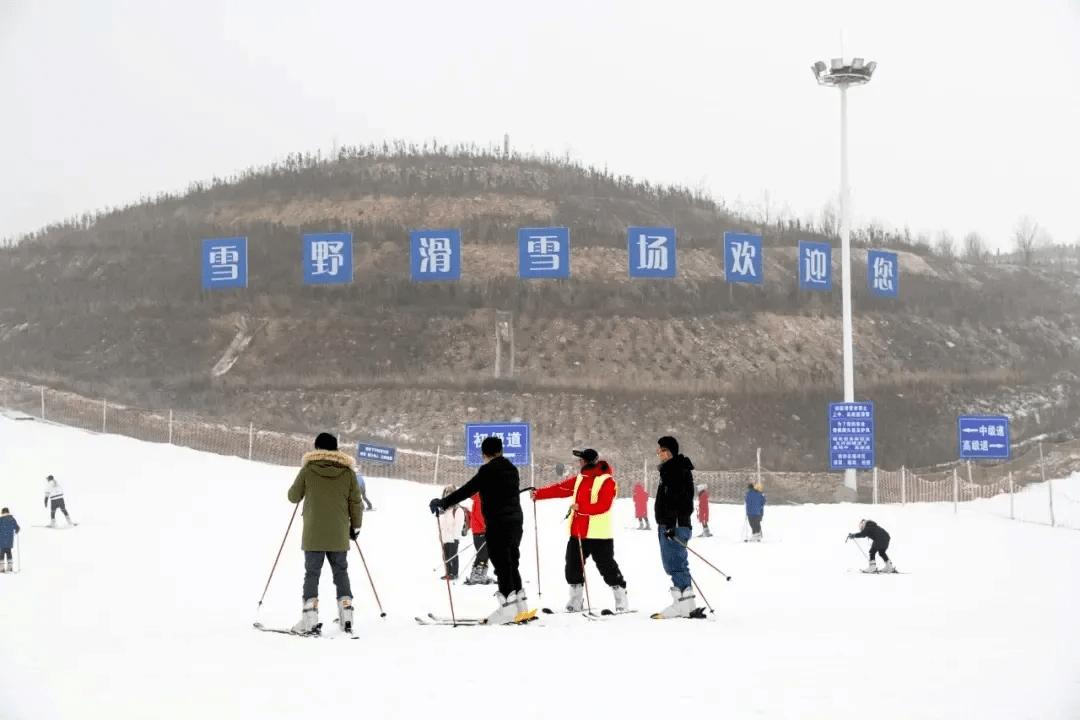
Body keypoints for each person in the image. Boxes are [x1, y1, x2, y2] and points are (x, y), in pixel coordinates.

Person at [429, 436, 529, 624]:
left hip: (497, 524)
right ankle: (520, 605)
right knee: (512, 562)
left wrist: (443, 503)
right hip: (516, 523)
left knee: (501, 565)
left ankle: (508, 608)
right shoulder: (512, 469)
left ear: (484, 454)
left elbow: (467, 490)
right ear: (501, 451)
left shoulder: (487, 470)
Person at [532, 449, 629, 613]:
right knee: (572, 567)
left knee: (607, 568)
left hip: (599, 534)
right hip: (577, 532)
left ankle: (621, 599)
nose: (580, 463)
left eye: (582, 460)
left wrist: (581, 508)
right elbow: (561, 489)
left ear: (589, 461)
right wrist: (539, 494)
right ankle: (576, 600)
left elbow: (604, 505)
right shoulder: (580, 479)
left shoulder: (607, 481)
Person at [287, 432, 364, 635]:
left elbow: (293, 496)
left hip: (313, 532)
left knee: (312, 573)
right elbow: (356, 501)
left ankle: (309, 620)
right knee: (341, 572)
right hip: (339, 532)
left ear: (317, 448)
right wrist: (356, 526)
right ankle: (347, 616)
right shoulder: (348, 472)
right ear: (336, 449)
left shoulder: (309, 469)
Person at [653, 436, 698, 618]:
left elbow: (678, 499)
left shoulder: (675, 470)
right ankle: (686, 603)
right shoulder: (670, 470)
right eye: (658, 451)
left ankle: (682, 605)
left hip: (675, 524)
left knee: (676, 563)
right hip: (672, 524)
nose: (659, 455)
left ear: (670, 452)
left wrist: (671, 524)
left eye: (662, 451)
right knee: (674, 564)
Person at [462, 492, 494, 585]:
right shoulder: (481, 499)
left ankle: (479, 574)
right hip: (481, 531)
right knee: (483, 553)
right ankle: (477, 575)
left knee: (483, 553)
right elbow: (481, 516)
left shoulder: (479, 498)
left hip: (478, 530)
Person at [437, 485, 467, 581]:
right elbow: (445, 524)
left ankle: (454, 573)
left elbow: (458, 524)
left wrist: (455, 538)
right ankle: (448, 572)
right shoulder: (446, 510)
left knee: (452, 555)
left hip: (454, 537)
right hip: (446, 537)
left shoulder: (457, 509)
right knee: (445, 555)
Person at [0, 508, 19, 573]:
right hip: (9, 540)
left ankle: (2, 567)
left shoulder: (1, 520)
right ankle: (10, 566)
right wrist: (17, 529)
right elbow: (16, 527)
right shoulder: (12, 519)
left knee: (2, 553)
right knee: (9, 552)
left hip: (2, 540)